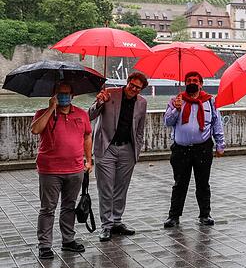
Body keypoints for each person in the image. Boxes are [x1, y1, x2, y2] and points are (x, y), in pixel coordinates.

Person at [30, 81, 93, 259]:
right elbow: (35, 130)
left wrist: (89, 160)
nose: (64, 96)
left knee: (69, 206)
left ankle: (68, 240)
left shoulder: (81, 114)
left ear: (72, 96)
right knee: (48, 208)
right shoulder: (43, 113)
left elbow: (87, 135)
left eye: (66, 93)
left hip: (75, 169)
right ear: (54, 95)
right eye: (60, 93)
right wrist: (51, 108)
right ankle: (44, 245)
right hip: (50, 170)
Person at [88, 72, 148, 242]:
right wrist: (100, 102)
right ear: (127, 82)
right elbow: (89, 115)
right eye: (132, 85)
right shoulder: (110, 94)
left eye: (138, 88)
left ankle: (117, 221)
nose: (134, 89)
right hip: (106, 147)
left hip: (128, 149)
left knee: (121, 188)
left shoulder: (142, 103)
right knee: (106, 188)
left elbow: (140, 129)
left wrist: (137, 150)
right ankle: (106, 225)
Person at [163, 71, 225, 228]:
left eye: (195, 80)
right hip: (180, 149)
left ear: (201, 84)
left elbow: (216, 123)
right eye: (189, 80)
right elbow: (168, 122)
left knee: (203, 183)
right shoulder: (176, 101)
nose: (192, 82)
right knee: (179, 184)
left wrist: (220, 144)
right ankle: (173, 216)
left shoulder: (210, 101)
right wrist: (176, 109)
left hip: (203, 148)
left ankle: (205, 214)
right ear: (185, 83)